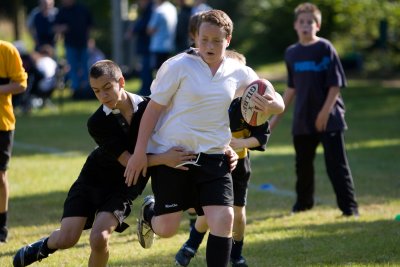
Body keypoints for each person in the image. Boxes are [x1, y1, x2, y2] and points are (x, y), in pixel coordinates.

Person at [124, 10, 284, 267]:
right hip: (174, 156)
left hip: (215, 156)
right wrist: (140, 152)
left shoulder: (238, 71)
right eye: (204, 39)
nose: (209, 46)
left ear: (228, 40)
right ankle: (150, 211)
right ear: (195, 37)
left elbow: (277, 102)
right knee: (166, 228)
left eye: (217, 41)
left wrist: (273, 104)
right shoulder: (178, 66)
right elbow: (153, 110)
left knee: (224, 219)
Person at [12, 60, 196, 267]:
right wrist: (165, 159)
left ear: (122, 82)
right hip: (94, 178)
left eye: (108, 88)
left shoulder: (151, 108)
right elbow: (129, 161)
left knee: (99, 238)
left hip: (126, 185)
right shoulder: (96, 122)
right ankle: (42, 247)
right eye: (96, 91)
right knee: (67, 238)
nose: (103, 96)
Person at [175, 50, 271, 267]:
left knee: (237, 213)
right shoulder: (213, 100)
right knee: (212, 211)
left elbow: (261, 136)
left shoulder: (250, 105)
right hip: (215, 162)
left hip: (239, 165)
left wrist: (242, 143)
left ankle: (236, 254)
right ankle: (191, 245)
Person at [269, 2, 359, 217]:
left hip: (330, 118)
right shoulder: (291, 53)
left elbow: (335, 84)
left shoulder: (325, 48)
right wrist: (273, 120)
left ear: (317, 25)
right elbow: (291, 89)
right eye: (302, 22)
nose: (306, 25)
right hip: (303, 119)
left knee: (336, 166)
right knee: (303, 166)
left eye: (311, 22)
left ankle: (350, 209)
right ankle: (303, 204)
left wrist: (325, 112)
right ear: (295, 26)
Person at [0, 40, 28, 242]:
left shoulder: (7, 50)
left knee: (0, 176)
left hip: (2, 124)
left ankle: (1, 227)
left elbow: (21, 83)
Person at [53, 0, 93, 99]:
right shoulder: (61, 11)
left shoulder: (82, 9)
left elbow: (90, 25)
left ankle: (88, 90)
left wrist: (90, 39)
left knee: (86, 67)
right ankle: (76, 91)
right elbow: (55, 27)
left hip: (84, 43)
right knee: (73, 68)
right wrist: (62, 28)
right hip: (70, 44)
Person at [125, 0, 154, 96]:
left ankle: (146, 91)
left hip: (148, 46)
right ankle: (145, 90)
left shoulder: (151, 9)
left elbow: (145, 25)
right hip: (147, 46)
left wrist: (134, 30)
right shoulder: (148, 10)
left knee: (146, 70)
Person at [147, 0, 177, 71]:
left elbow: (149, 30)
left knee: (158, 74)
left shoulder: (159, 11)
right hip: (170, 45)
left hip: (158, 47)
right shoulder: (172, 8)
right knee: (169, 72)